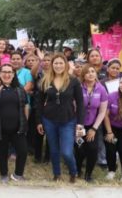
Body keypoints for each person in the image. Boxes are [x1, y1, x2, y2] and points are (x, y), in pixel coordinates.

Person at [36, 53, 84, 183]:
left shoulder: (73, 81)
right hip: (49, 120)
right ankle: (56, 174)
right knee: (53, 149)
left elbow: (80, 103)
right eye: (55, 63)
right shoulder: (45, 80)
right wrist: (39, 121)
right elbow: (39, 103)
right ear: (52, 65)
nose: (58, 65)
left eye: (61, 63)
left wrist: (80, 123)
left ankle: (73, 172)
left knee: (67, 152)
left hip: (68, 120)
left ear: (66, 64)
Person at [0, 64, 29, 183]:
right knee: (2, 153)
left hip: (17, 128)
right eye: (4, 72)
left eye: (10, 72)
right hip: (0, 128)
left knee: (23, 151)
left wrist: (25, 121)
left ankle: (18, 175)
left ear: (14, 74)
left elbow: (25, 106)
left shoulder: (19, 89)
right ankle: (3, 174)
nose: (7, 74)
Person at [75, 64, 108, 182]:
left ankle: (88, 175)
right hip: (78, 124)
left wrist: (94, 129)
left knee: (93, 149)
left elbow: (103, 111)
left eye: (93, 71)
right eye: (87, 72)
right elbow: (73, 107)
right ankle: (78, 170)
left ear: (96, 74)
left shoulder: (101, 89)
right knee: (79, 148)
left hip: (93, 125)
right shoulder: (78, 87)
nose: (90, 74)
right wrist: (77, 126)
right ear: (83, 75)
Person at [86, 49, 108, 168]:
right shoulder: (85, 70)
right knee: (96, 135)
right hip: (91, 110)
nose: (94, 57)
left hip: (107, 107)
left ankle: (104, 159)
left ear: (100, 57)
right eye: (92, 56)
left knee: (106, 133)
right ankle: (93, 158)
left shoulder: (107, 69)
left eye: (96, 55)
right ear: (88, 58)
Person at [104, 76, 122, 182]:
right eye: (121, 82)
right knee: (110, 149)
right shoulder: (111, 96)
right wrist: (109, 132)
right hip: (111, 127)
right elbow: (106, 115)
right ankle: (111, 170)